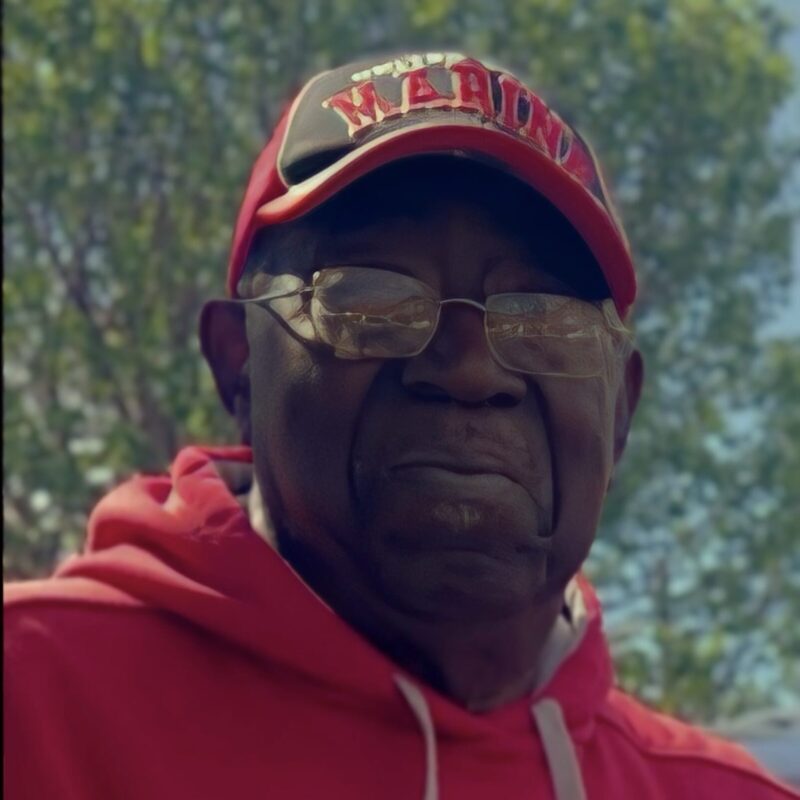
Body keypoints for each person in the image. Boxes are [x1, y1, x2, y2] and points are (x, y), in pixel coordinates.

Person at [4, 52, 797, 800]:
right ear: (238, 362)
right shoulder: (34, 705)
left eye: (544, 321)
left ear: (621, 411)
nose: (469, 369)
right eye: (370, 301)